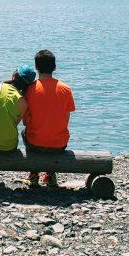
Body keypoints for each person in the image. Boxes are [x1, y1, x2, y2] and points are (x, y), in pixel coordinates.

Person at [0, 64, 37, 187]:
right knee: (2, 133)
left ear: (14, 75)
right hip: (8, 147)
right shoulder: (24, 102)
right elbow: (13, 125)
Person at [23, 49, 76, 187]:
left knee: (24, 132)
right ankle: (50, 175)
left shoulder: (30, 89)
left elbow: (25, 120)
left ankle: (34, 174)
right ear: (54, 67)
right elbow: (66, 119)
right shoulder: (66, 89)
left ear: (36, 67)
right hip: (59, 145)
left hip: (35, 144)